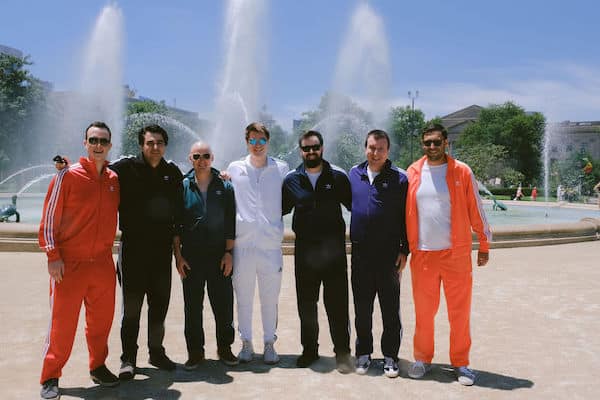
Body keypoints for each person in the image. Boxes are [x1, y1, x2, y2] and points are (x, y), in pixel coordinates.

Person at [38, 122, 120, 399]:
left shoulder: (113, 179)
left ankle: (98, 366)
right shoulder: (67, 175)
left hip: (102, 264)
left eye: (103, 141)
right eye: (93, 140)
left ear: (110, 145)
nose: (98, 145)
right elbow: (50, 217)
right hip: (69, 264)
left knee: (101, 322)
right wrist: (53, 255)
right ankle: (50, 375)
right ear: (85, 142)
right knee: (62, 324)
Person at [406, 123, 492, 386]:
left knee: (459, 312)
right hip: (422, 255)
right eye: (427, 143)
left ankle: (461, 363)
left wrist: (484, 243)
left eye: (436, 142)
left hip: (456, 254)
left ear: (446, 143)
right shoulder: (413, 171)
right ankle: (422, 358)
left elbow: (476, 208)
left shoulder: (462, 171)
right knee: (423, 312)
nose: (431, 147)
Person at [109, 124, 184, 379]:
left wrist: (223, 175)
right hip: (133, 251)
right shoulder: (125, 168)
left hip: (161, 252)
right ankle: (128, 358)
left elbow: (184, 203)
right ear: (142, 145)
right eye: (150, 143)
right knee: (131, 309)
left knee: (159, 306)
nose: (155, 147)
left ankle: (156, 352)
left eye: (160, 143)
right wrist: (66, 167)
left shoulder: (172, 173)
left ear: (165, 145)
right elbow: (96, 171)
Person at [282, 130, 353, 373]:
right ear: (300, 151)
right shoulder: (292, 179)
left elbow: (357, 207)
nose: (311, 152)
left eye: (315, 147)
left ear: (322, 148)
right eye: (306, 148)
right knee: (307, 305)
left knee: (337, 305)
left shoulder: (339, 176)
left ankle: (342, 353)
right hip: (305, 253)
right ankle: (309, 350)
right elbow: (276, 208)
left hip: (333, 252)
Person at [227, 122, 289, 364]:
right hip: (243, 246)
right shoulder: (234, 168)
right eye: (252, 140)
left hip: (270, 246)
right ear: (246, 142)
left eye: (261, 140)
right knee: (243, 296)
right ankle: (245, 342)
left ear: (268, 141)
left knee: (269, 297)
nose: (257, 145)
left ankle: (269, 342)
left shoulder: (281, 169)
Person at [348, 129, 409, 378]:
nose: (375, 153)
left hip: (388, 257)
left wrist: (405, 249)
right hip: (361, 255)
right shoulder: (354, 174)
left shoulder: (400, 178)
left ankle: (390, 357)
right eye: (372, 147)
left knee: (390, 309)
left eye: (381, 149)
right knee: (362, 309)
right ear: (365, 148)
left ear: (388, 151)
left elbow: (407, 217)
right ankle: (363, 353)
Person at [174, 141, 238, 369]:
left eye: (206, 156)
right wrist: (178, 257)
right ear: (190, 158)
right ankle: (195, 352)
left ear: (213, 158)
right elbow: (176, 227)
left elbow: (231, 223)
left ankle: (225, 348)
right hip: (191, 257)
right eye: (197, 156)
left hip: (219, 255)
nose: (202, 160)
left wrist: (229, 253)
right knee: (192, 307)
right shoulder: (182, 186)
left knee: (223, 304)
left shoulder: (225, 186)